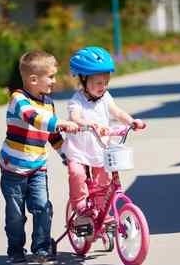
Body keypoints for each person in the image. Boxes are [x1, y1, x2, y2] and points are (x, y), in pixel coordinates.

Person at [0, 50, 78, 265]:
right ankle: (15, 250)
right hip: (13, 168)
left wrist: (67, 156)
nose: (54, 81)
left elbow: (52, 135)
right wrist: (59, 122)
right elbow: (32, 118)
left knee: (43, 206)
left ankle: (41, 249)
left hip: (37, 168)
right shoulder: (18, 99)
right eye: (50, 76)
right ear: (33, 79)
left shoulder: (48, 103)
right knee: (16, 215)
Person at [62, 46, 145, 231]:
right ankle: (80, 205)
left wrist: (132, 121)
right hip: (78, 150)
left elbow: (116, 112)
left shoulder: (106, 96)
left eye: (106, 82)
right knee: (77, 174)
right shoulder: (76, 100)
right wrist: (88, 124)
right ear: (83, 80)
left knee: (104, 181)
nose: (103, 86)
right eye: (98, 82)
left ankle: (101, 212)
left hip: (100, 148)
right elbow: (74, 117)